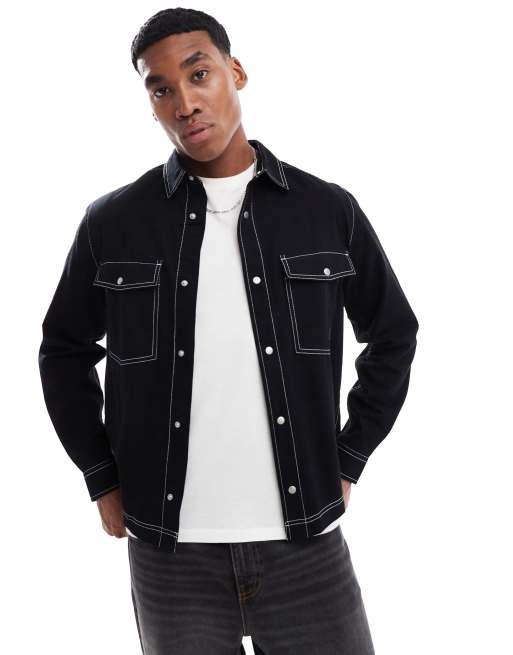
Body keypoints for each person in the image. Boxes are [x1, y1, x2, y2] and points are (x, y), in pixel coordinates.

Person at [38, 7, 419, 654]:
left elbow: (392, 334)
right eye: (160, 88)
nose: (184, 102)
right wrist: (100, 474)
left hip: (305, 545)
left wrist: (349, 455)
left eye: (198, 74)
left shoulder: (326, 210)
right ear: (150, 104)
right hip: (170, 556)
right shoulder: (113, 223)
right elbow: (63, 351)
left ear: (234, 72)